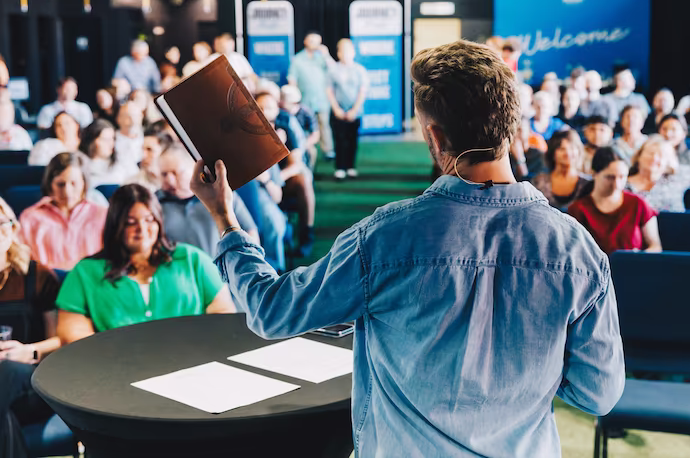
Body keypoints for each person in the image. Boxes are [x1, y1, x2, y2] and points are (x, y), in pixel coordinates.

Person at [189, 39, 624, 456]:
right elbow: (596, 393)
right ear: (512, 123)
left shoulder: (385, 237)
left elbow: (272, 310)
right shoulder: (579, 252)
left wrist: (226, 220)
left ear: (434, 138)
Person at [56, 184, 235, 343]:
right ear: (115, 226)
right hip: (117, 367)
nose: (141, 229)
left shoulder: (192, 259)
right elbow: (72, 333)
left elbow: (223, 314)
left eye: (149, 220)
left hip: (192, 358)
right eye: (130, 223)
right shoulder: (86, 272)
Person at [0, 197, 64, 456]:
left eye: (1, 223)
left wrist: (26, 352)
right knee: (4, 419)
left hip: (33, 379)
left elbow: (60, 340)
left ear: (13, 228)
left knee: (9, 371)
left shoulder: (37, 276)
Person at [157, 144, 258, 258]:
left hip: (223, 270)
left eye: (176, 173)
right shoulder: (155, 203)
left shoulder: (220, 193)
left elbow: (250, 231)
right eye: (164, 174)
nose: (170, 181)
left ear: (193, 168)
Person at [18, 152, 107, 270]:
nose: (67, 192)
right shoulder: (30, 218)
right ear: (50, 185)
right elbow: (22, 262)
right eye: (60, 184)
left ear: (84, 184)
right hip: (47, 285)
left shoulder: (103, 215)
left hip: (92, 284)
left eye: (74, 183)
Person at [254, 89, 317, 257]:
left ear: (278, 108)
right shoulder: (249, 127)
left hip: (284, 176)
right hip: (260, 180)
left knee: (303, 181)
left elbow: (295, 164)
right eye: (259, 107)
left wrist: (277, 179)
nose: (264, 111)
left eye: (269, 107)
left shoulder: (286, 123)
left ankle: (306, 235)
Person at [568, 147, 661, 255]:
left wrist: (639, 257)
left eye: (622, 177)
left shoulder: (638, 203)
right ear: (594, 174)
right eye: (610, 177)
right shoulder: (578, 209)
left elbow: (655, 246)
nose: (617, 184)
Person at [327, 38, 369, 181]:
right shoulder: (333, 69)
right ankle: (340, 168)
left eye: (348, 51)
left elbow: (362, 91)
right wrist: (336, 109)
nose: (345, 54)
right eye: (342, 51)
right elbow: (329, 90)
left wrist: (354, 110)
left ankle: (351, 167)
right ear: (338, 53)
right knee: (339, 140)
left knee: (352, 140)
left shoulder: (360, 70)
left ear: (353, 52)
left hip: (355, 112)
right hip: (337, 111)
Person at [288, 32, 335, 160]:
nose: (314, 44)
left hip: (322, 99)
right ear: (305, 41)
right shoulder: (297, 59)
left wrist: (327, 55)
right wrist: (294, 99)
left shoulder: (322, 58)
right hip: (305, 100)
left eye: (317, 41)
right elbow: (292, 79)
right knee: (306, 127)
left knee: (324, 125)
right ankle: (305, 149)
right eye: (312, 40)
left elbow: (334, 71)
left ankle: (328, 151)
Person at [533, 130, 590, 210]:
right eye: (561, 149)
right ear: (552, 153)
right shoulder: (538, 182)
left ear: (579, 151)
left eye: (572, 148)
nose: (567, 153)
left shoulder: (589, 184)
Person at [79, 119, 137, 186]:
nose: (111, 144)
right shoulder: (81, 163)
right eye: (106, 140)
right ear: (92, 141)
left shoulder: (122, 161)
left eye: (113, 139)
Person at [279, 84, 319, 168]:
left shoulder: (306, 112)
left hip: (303, 141)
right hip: (284, 143)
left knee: (312, 151)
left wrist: (304, 145)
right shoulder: (279, 113)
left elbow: (315, 134)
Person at [125, 125, 174, 191]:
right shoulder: (130, 184)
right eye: (142, 149)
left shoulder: (174, 184)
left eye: (149, 150)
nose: (143, 155)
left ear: (165, 153)